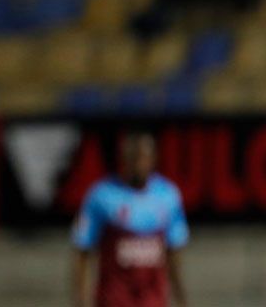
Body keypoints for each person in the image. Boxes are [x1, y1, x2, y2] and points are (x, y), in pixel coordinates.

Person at [71, 131, 189, 307]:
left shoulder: (168, 196)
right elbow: (82, 250)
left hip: (153, 300)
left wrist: (182, 298)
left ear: (153, 159)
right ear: (124, 159)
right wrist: (80, 299)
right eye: (133, 158)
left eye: (143, 158)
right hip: (114, 299)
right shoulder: (102, 195)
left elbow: (173, 252)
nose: (138, 165)